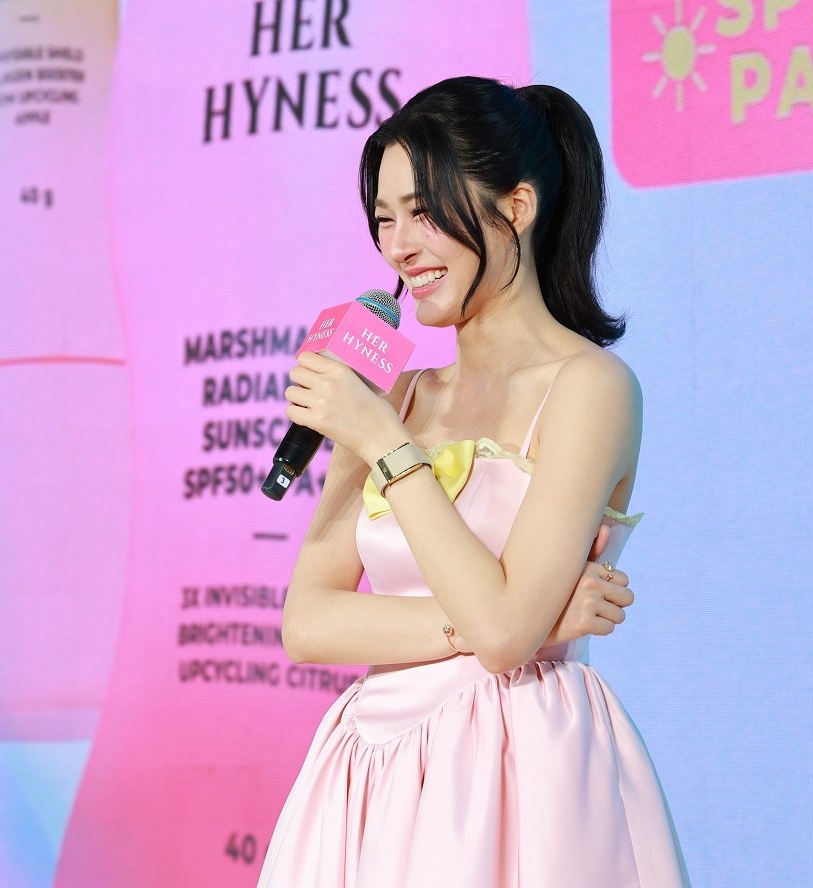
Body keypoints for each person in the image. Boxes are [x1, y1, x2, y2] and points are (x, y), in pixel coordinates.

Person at [257, 76, 689, 888]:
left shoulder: (589, 388)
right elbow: (308, 623)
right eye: (384, 220)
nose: (398, 247)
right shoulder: (391, 395)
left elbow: (503, 638)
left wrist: (386, 443)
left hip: (517, 766)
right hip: (369, 770)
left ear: (516, 206)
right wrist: (513, 618)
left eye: (423, 213)